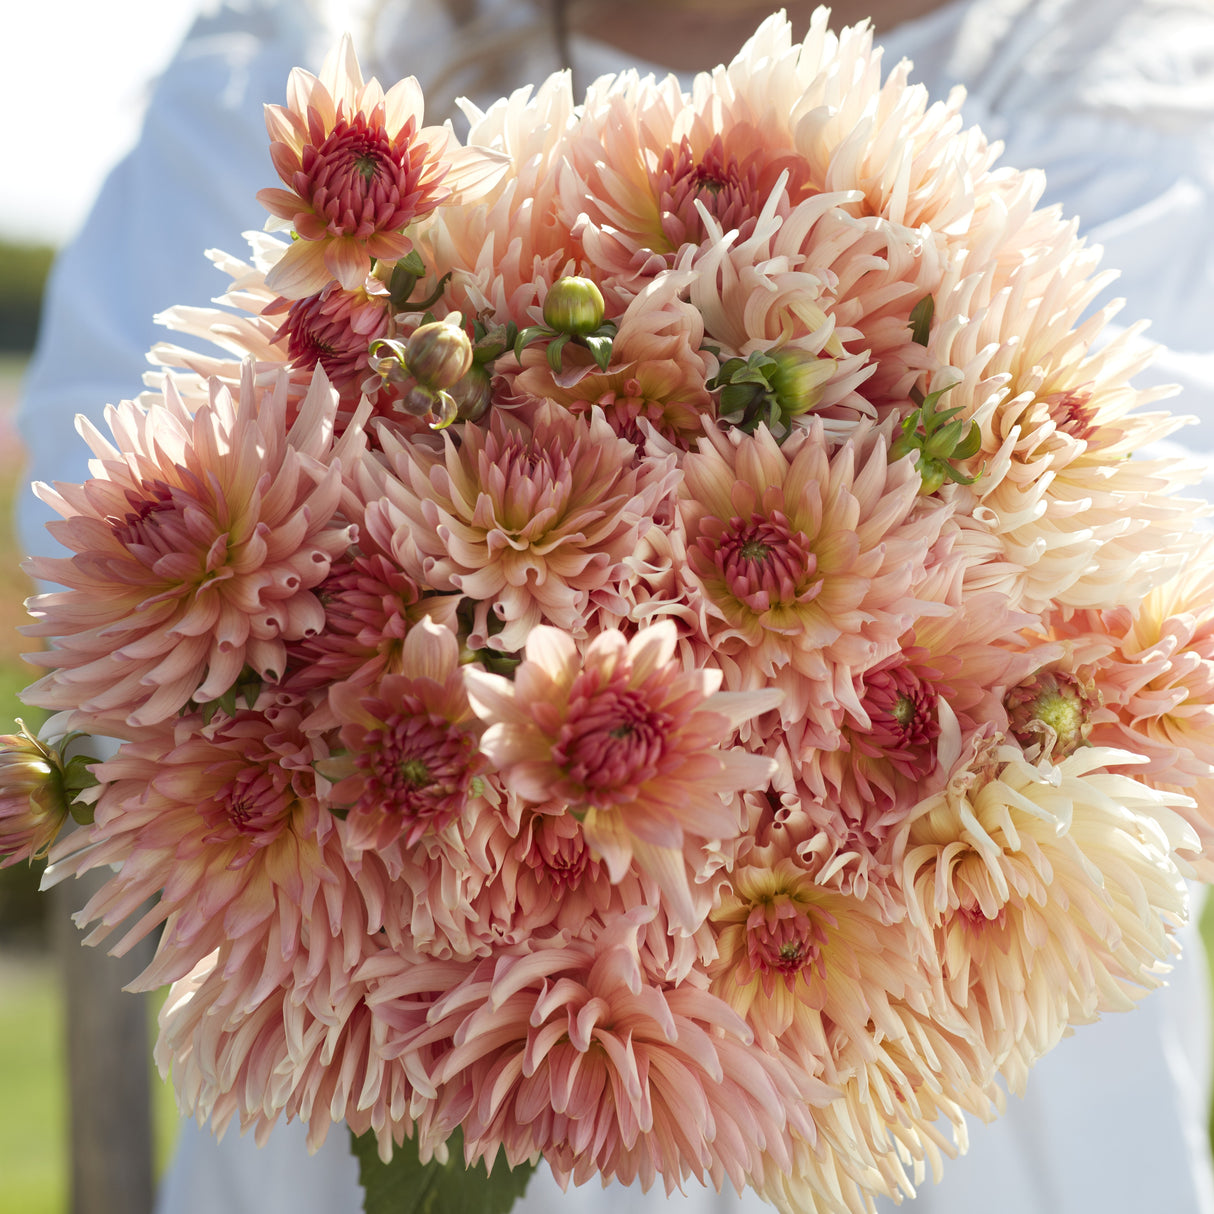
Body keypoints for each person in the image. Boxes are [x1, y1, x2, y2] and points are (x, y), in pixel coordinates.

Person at [17, 0, 1214, 1212]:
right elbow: (104, 524)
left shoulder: (1103, 47)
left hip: (963, 1104)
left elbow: (1141, 521)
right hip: (387, 1032)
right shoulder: (312, 45)